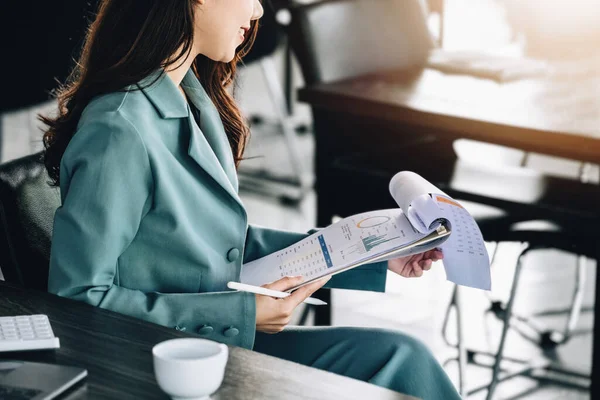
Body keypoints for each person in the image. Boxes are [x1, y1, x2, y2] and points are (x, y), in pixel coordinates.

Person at [42, 1, 461, 398]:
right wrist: (242, 314)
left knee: (401, 357)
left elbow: (227, 244)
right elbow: (76, 297)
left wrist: (375, 252)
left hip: (210, 346)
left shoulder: (191, 98)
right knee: (401, 361)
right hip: (161, 363)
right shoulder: (120, 129)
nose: (259, 10)